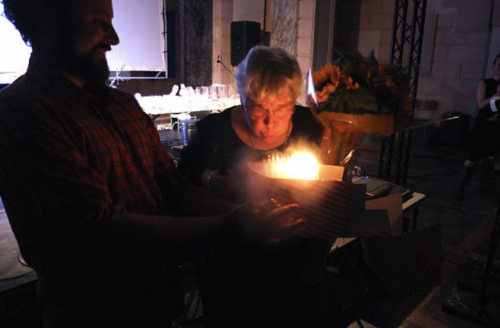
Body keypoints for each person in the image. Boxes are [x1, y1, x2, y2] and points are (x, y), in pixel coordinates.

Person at [0, 1, 303, 327]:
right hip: (92, 315)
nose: (113, 38)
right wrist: (232, 226)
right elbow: (97, 233)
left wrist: (252, 210)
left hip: (158, 306)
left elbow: (174, 192)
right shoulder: (22, 113)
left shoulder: (122, 107)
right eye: (99, 21)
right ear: (47, 18)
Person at [179, 46, 328, 328]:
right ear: (241, 97)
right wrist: (207, 178)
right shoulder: (215, 131)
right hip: (232, 273)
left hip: (297, 271)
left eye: (283, 108)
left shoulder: (312, 127)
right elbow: (179, 185)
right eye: (259, 108)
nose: (270, 122)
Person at [455, 53, 500, 199]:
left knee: (498, 158)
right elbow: (481, 104)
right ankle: (460, 189)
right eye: (498, 64)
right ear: (493, 66)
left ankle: (495, 193)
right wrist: (495, 96)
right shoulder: (485, 83)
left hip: (498, 127)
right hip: (484, 126)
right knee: (472, 157)